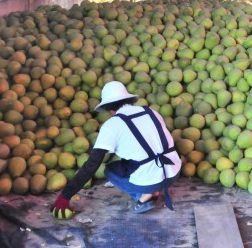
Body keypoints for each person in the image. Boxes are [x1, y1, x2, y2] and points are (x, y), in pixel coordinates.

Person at [51, 81, 182, 216]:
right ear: (128, 100)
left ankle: (144, 195)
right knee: (133, 160)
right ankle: (152, 187)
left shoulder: (111, 125)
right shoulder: (151, 112)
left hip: (152, 178)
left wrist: (65, 196)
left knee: (110, 170)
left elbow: (92, 165)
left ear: (109, 109)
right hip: (173, 171)